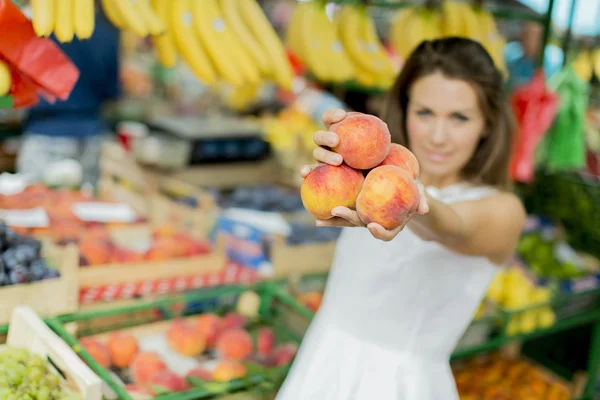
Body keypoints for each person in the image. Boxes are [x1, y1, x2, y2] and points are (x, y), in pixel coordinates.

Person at [276, 37, 526, 400]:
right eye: (424, 113)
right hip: (321, 365)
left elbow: (452, 226)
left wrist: (411, 203)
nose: (438, 136)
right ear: (405, 109)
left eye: (459, 117)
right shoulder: (371, 179)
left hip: (401, 387)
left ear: (487, 124)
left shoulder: (503, 210)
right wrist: (341, 159)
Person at [17, 5, 120, 186]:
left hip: (44, 134)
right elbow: (111, 92)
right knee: (87, 206)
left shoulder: (37, 27)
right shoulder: (106, 33)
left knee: (32, 202)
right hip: (92, 136)